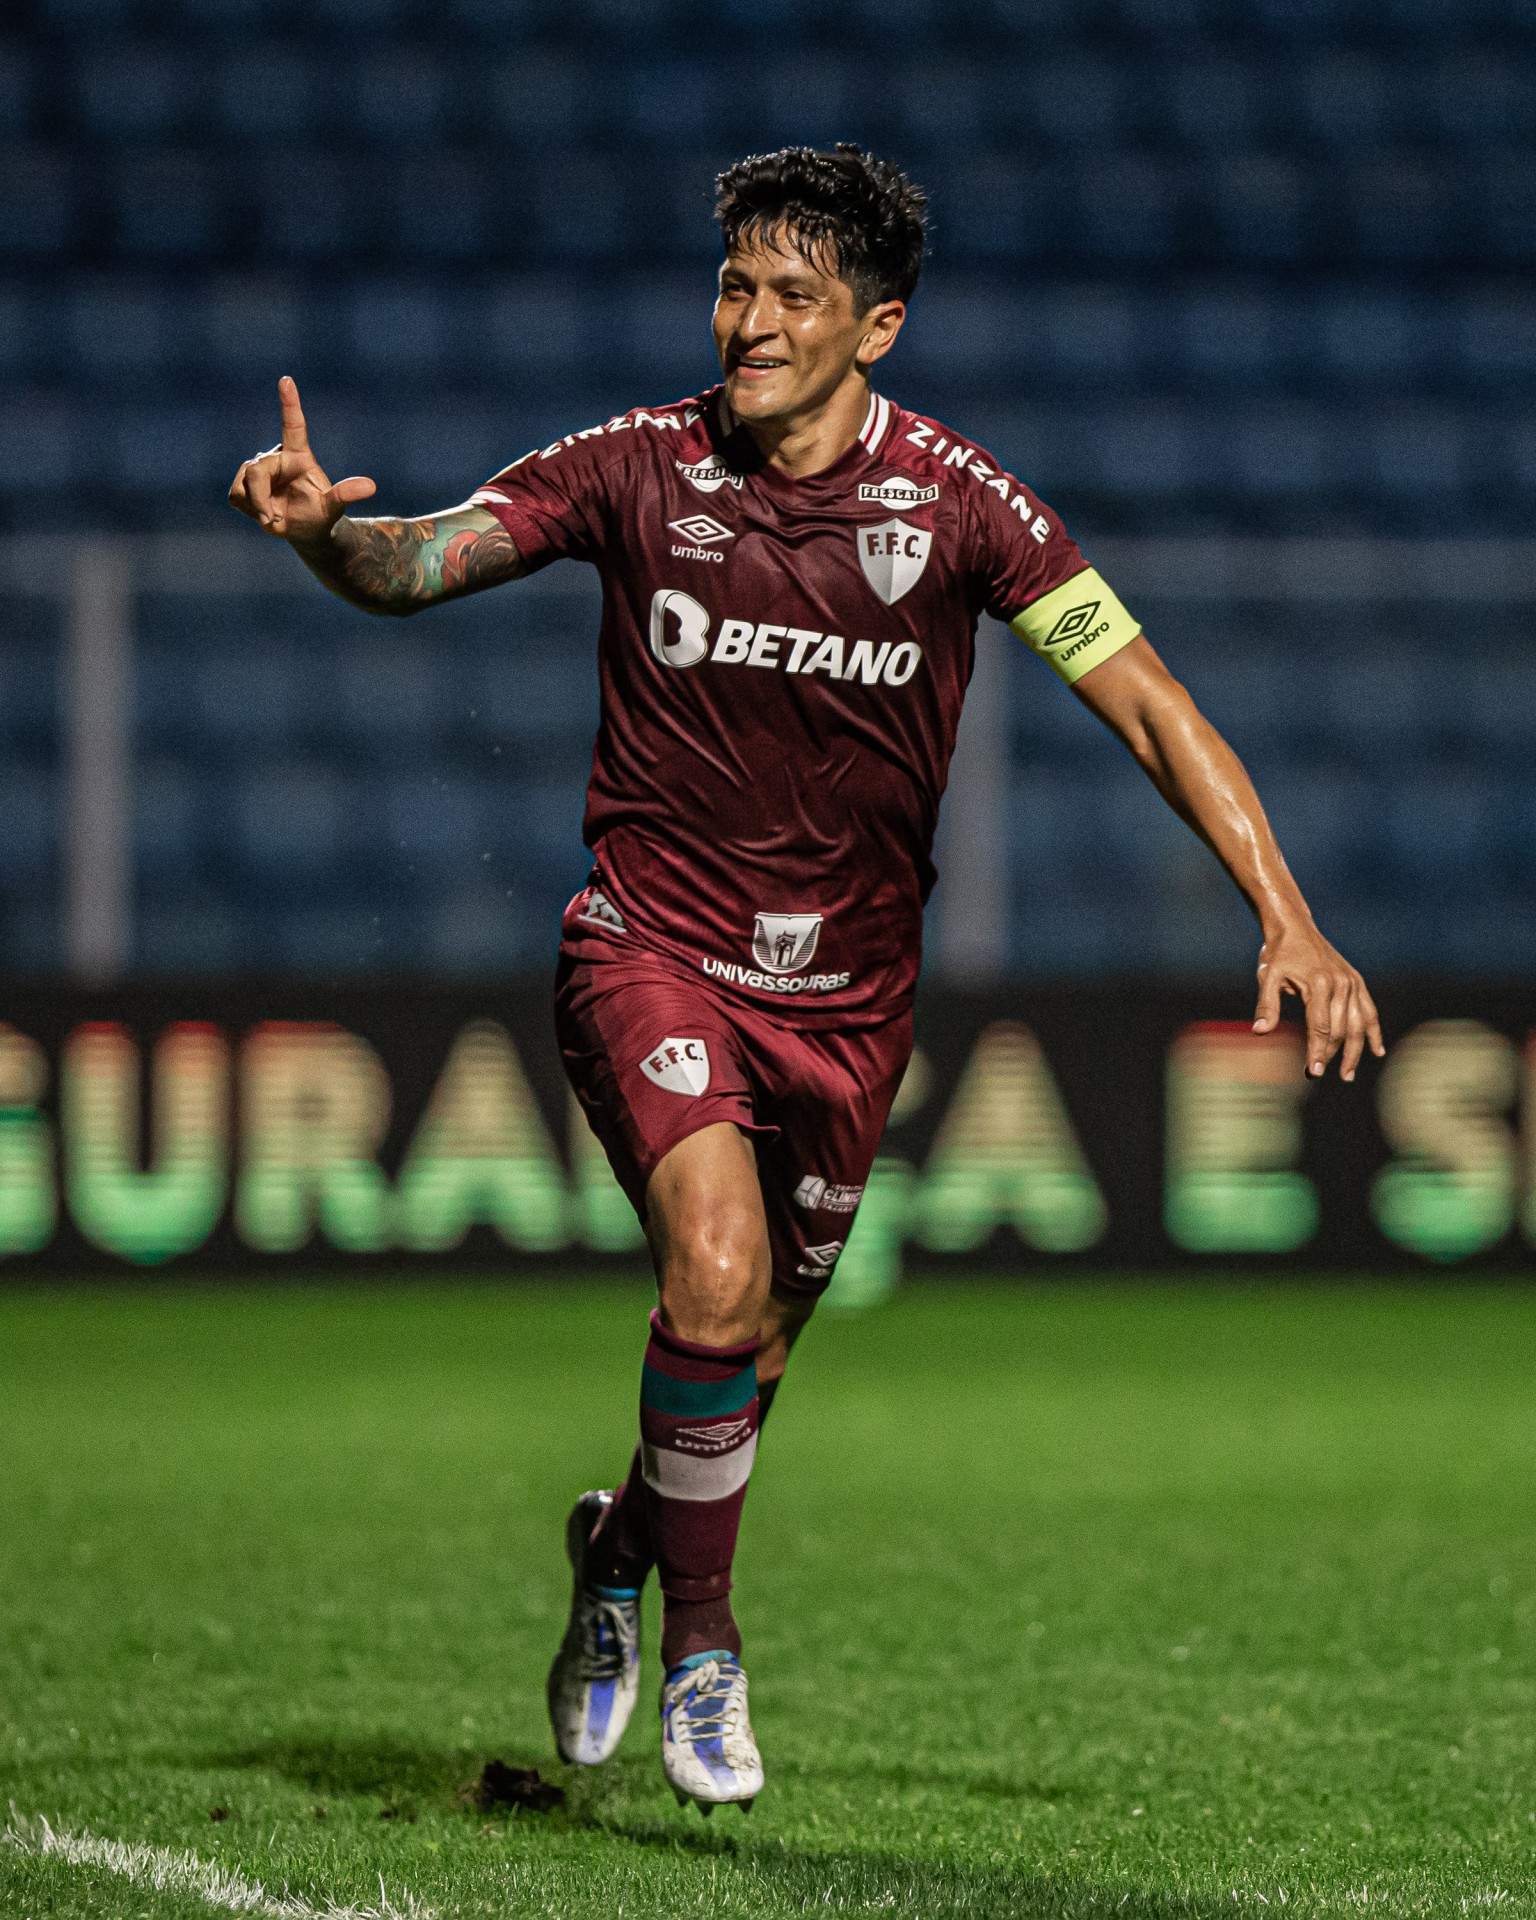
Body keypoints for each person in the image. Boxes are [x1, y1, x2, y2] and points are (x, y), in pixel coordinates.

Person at [228, 144, 1383, 1812]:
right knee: (713, 1270)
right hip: (651, 952)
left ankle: (616, 1558)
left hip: (849, 1009)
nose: (750, 322)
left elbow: (1145, 700)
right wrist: (327, 540)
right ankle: (704, 1649)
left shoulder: (965, 506)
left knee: (744, 1364)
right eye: (734, 286)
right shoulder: (635, 465)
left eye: (793, 295)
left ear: (878, 326)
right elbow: (423, 562)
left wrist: (1287, 911)